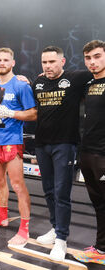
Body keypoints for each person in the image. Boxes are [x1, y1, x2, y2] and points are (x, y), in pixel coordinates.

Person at [32, 46, 92, 261]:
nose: (48, 66)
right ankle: (55, 228)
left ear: (63, 61)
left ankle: (62, 239)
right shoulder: (37, 82)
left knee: (61, 192)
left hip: (64, 144)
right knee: (48, 191)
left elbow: (98, 71)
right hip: (41, 144)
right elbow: (33, 109)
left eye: (52, 62)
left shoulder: (75, 78)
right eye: (44, 62)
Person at [0, 47, 37, 246]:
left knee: (18, 185)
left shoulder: (21, 85)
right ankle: (2, 217)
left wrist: (12, 114)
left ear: (13, 63)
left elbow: (33, 114)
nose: (2, 63)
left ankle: (25, 228)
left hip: (11, 141)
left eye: (6, 60)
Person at [73, 40, 105, 266]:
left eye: (97, 56)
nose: (92, 62)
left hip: (104, 155)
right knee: (99, 203)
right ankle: (101, 247)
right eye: (88, 58)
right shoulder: (87, 84)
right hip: (87, 152)